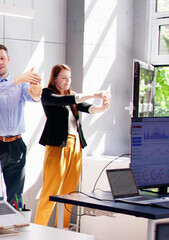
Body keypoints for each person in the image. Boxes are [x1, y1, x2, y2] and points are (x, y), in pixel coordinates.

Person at [34, 64, 111, 228]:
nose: (67, 81)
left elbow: (88, 108)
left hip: (76, 145)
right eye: (63, 77)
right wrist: (94, 94)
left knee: (70, 192)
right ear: (54, 79)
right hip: (58, 146)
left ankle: (63, 229)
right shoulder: (47, 94)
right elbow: (64, 100)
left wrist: (102, 108)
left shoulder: (73, 95)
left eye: (69, 77)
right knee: (51, 189)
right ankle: (38, 229)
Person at [0, 44, 42, 202]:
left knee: (16, 195)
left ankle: (14, 224)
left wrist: (36, 92)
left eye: (2, 58)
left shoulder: (22, 84)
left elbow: (33, 97)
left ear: (8, 59)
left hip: (16, 144)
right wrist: (17, 80)